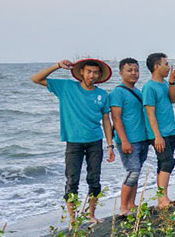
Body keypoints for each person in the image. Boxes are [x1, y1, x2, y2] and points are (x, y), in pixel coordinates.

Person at [32, 58, 115, 224]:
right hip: (73, 142)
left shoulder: (102, 95)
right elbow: (36, 79)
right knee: (72, 180)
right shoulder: (66, 87)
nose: (92, 75)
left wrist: (110, 145)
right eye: (89, 72)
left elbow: (106, 120)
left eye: (95, 73)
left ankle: (92, 215)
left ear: (99, 76)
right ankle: (73, 219)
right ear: (81, 73)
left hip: (95, 141)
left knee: (94, 179)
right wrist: (56, 65)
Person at [109, 58, 149, 216]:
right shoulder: (117, 92)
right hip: (128, 140)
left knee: (137, 172)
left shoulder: (138, 92)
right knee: (132, 172)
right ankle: (123, 207)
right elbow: (116, 118)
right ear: (121, 73)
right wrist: (124, 140)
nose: (134, 73)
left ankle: (132, 204)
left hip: (141, 138)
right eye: (129, 70)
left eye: (136, 70)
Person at [142, 53, 175, 209]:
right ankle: (163, 199)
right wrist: (157, 136)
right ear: (156, 66)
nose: (168, 66)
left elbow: (173, 99)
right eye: (165, 63)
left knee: (163, 164)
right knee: (168, 161)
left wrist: (171, 82)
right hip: (158, 133)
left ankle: (162, 199)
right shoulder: (149, 87)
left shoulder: (165, 84)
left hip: (170, 130)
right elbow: (150, 113)